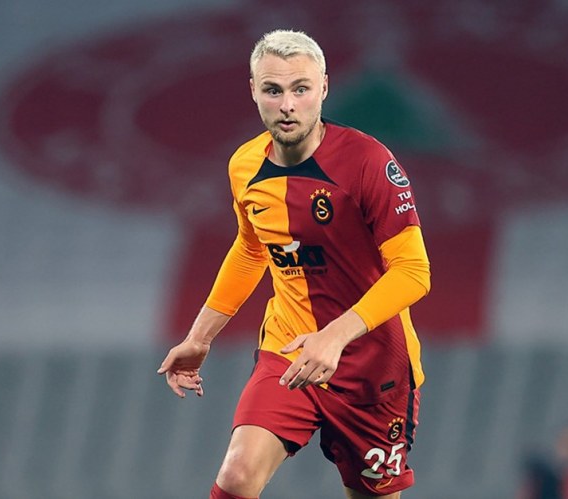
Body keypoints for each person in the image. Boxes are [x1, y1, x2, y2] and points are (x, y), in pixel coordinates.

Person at [158, 29, 431, 499]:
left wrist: (333, 337)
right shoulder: (244, 166)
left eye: (300, 89)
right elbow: (252, 248)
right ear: (253, 91)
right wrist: (200, 338)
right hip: (289, 351)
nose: (287, 105)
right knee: (237, 475)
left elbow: (413, 271)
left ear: (324, 87)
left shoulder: (368, 163)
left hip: (373, 369)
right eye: (273, 90)